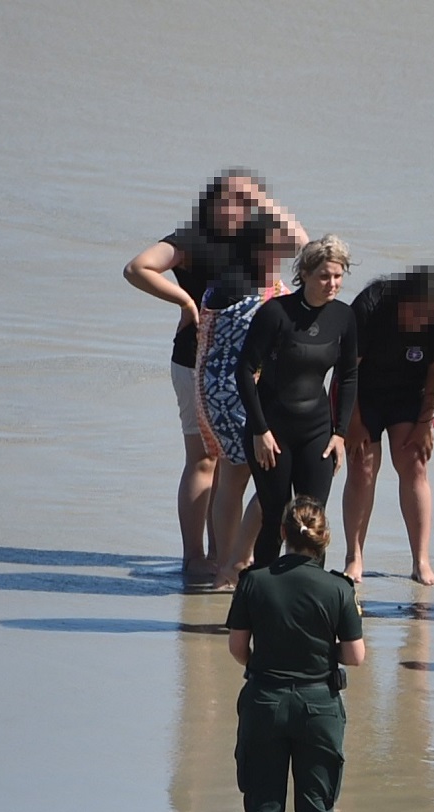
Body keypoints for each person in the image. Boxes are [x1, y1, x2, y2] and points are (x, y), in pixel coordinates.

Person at [124, 169, 306, 584]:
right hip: (196, 364)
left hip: (253, 372)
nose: (240, 207)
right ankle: (196, 559)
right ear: (212, 202)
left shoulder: (258, 240)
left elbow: (303, 247)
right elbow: (138, 268)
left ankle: (224, 557)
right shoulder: (192, 239)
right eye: (232, 199)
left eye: (249, 200)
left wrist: (266, 199)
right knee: (205, 460)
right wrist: (186, 303)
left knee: (235, 466)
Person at [225, 497, 365, 812]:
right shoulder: (338, 589)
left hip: (265, 700)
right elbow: (355, 657)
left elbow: (236, 648)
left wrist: (264, 664)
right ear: (323, 538)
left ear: (283, 534)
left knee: (264, 811)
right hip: (318, 706)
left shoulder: (255, 582)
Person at [340, 267, 434, 586]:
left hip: (408, 397)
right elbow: (345, 369)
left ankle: (421, 561)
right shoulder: (371, 305)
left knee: (415, 466)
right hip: (363, 394)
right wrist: (353, 421)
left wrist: (423, 423)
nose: (420, 321)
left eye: (427, 315)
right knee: (362, 467)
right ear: (401, 300)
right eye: (415, 311)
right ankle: (354, 557)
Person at [237, 236, 359, 568]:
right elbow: (245, 370)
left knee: (313, 520)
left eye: (337, 276)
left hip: (317, 432)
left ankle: (308, 599)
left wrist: (340, 434)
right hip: (272, 432)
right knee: (276, 517)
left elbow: (347, 376)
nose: (332, 283)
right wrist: (259, 430)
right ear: (304, 274)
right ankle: (259, 596)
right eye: (324, 276)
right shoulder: (276, 313)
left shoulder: (344, 318)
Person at [195, 213, 296, 589]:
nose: (280, 257)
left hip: (214, 388)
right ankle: (235, 562)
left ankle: (229, 562)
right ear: (256, 248)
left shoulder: (229, 279)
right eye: (274, 250)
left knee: (233, 478)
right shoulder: (248, 287)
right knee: (269, 481)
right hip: (239, 393)